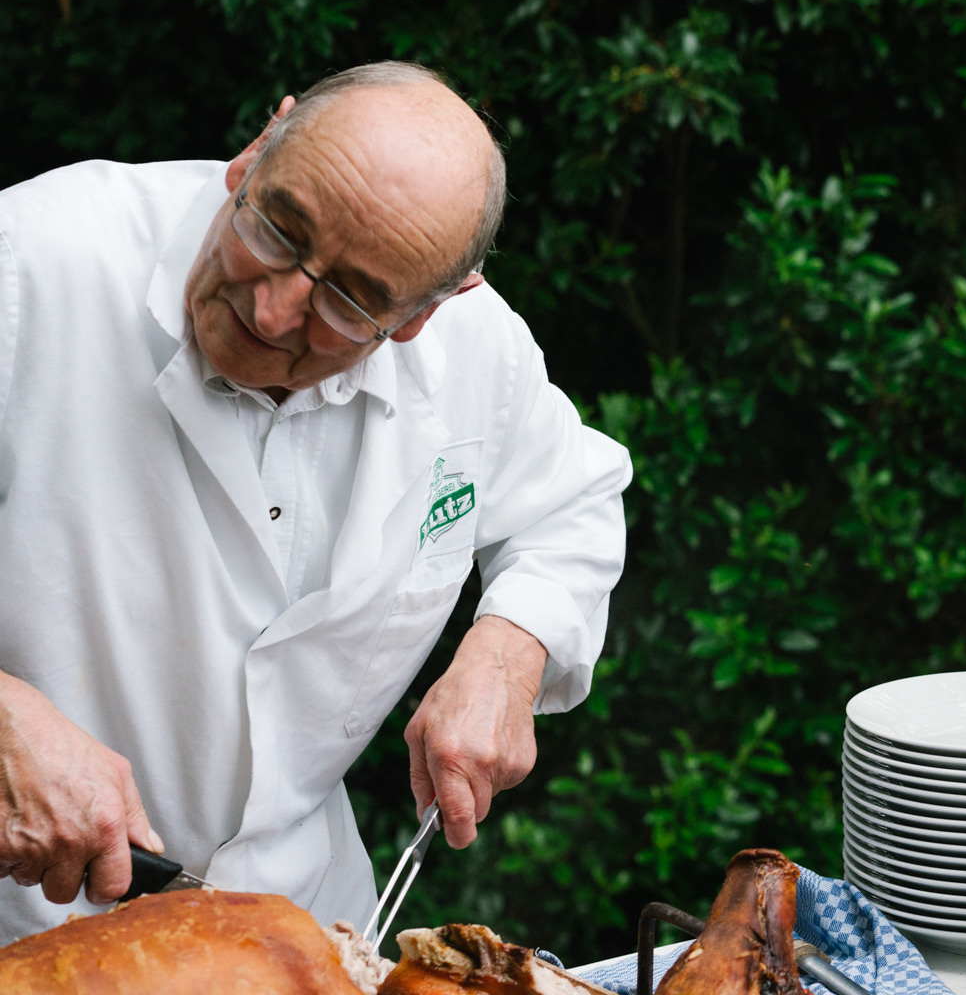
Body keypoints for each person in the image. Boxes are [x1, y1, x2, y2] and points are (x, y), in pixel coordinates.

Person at [0, 61, 632, 943]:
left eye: (347, 300)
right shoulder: (34, 258)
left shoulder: (479, 357)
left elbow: (573, 505)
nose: (272, 306)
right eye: (278, 227)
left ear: (429, 311)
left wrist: (508, 654)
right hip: (25, 933)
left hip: (302, 936)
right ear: (261, 145)